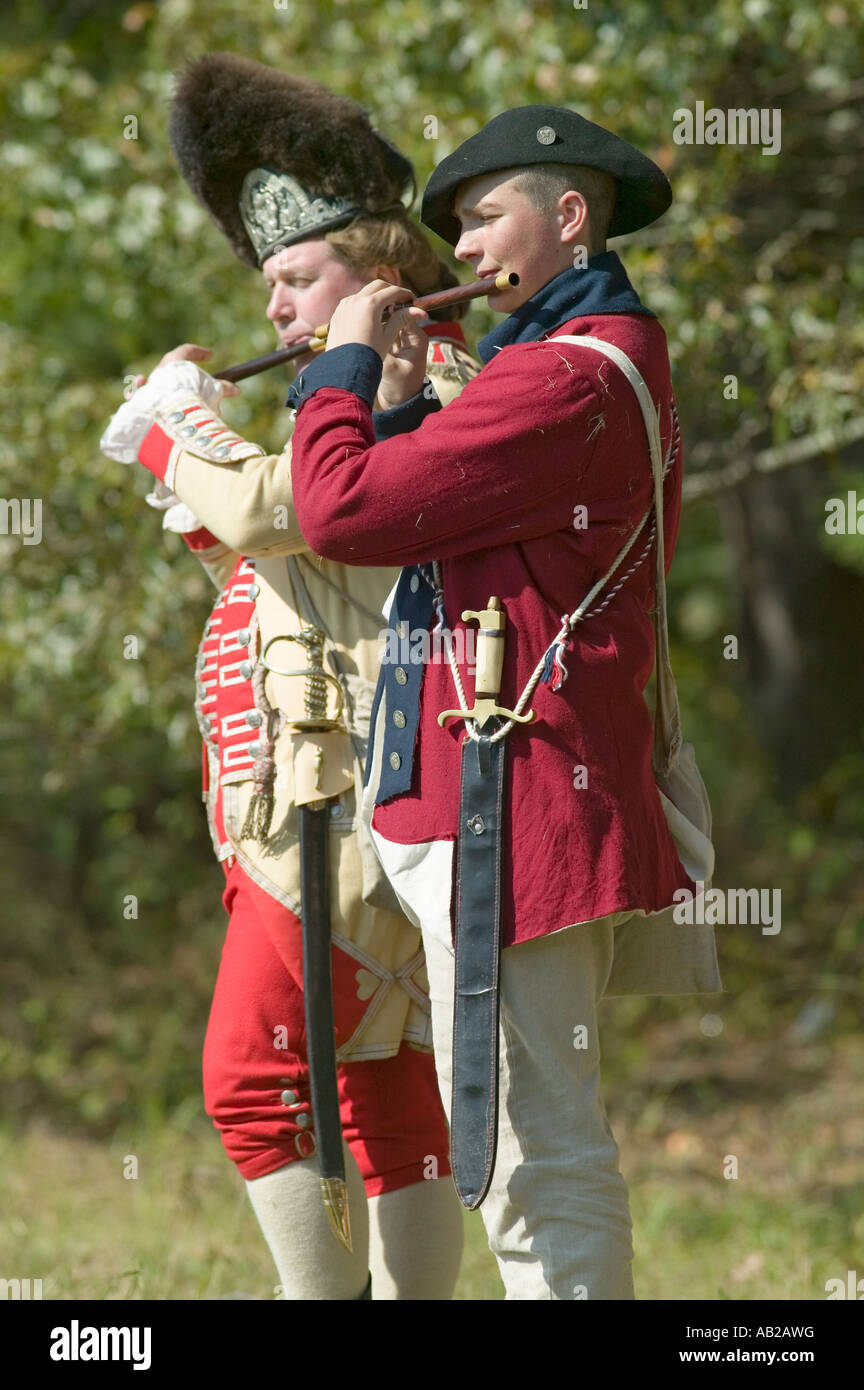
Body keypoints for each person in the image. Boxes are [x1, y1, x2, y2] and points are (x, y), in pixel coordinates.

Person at [278, 105, 723, 1300]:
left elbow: (339, 513)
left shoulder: (570, 375)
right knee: (523, 1148)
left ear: (567, 218)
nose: (463, 251)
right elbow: (475, 533)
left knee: (536, 1158)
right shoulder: (556, 367)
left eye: (484, 216)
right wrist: (412, 403)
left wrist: (342, 369)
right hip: (503, 802)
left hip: (520, 808)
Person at [101, 55, 477, 1301]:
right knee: (374, 1081)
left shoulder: (432, 373)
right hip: (316, 798)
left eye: (293, 278)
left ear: (375, 274)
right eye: (265, 285)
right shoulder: (364, 383)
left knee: (249, 1082)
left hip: (350, 799)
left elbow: (278, 509)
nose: (272, 310)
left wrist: (173, 427)